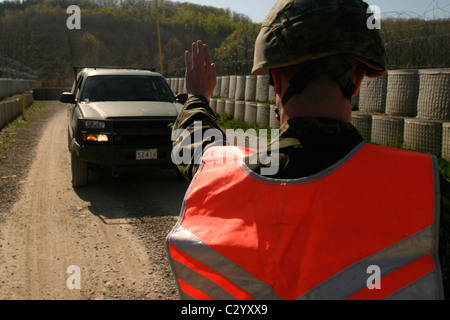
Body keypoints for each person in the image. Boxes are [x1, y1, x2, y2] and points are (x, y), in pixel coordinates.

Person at [166, 0, 449, 300]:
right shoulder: (428, 196)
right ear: (357, 80)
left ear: (275, 81)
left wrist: (198, 95)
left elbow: (193, 143)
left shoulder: (217, 177)